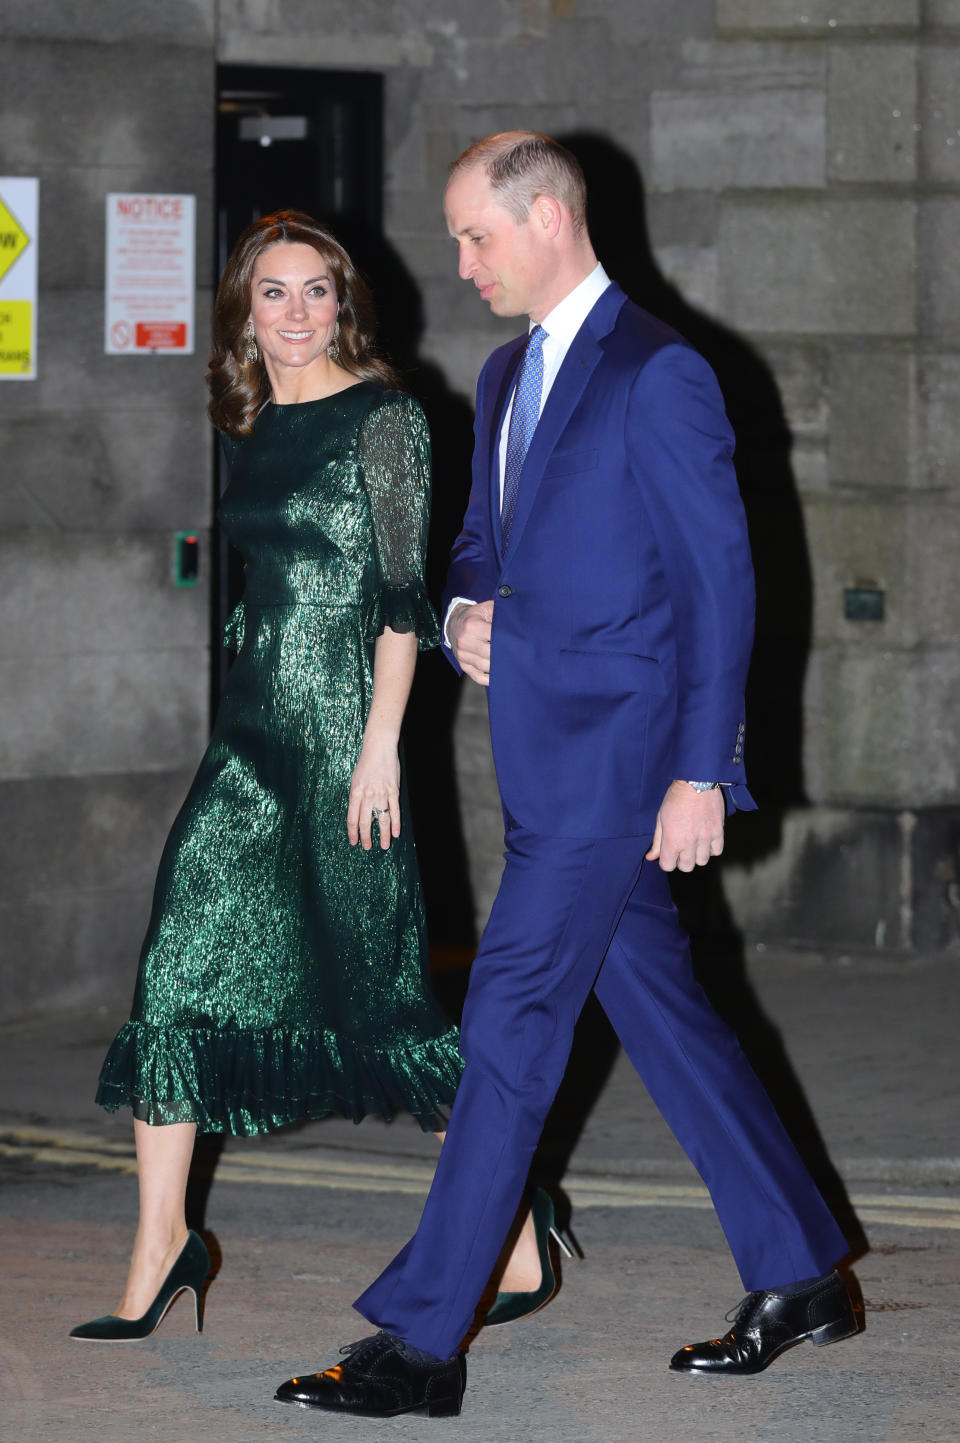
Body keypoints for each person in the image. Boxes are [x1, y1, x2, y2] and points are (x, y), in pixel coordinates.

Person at [275, 134, 858, 1420]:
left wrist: (704, 770)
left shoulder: (663, 373)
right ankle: (804, 1268)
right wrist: (469, 608)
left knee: (510, 1022)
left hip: (621, 768)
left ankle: (425, 1340)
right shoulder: (502, 371)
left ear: (546, 218)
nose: (462, 261)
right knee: (667, 1016)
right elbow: (485, 543)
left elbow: (723, 588)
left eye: (476, 234)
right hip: (543, 759)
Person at [70, 210, 470, 1342]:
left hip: (349, 744)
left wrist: (381, 745)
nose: (295, 316)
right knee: (175, 974)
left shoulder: (386, 420)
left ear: (346, 303)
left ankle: (511, 1214)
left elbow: (404, 601)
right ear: (247, 311)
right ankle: (161, 1243)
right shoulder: (247, 418)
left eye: (315, 293)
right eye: (273, 295)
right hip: (249, 746)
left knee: (384, 1002)